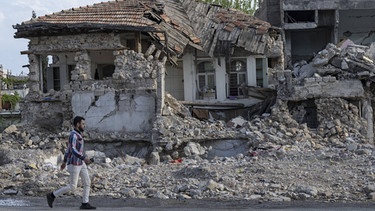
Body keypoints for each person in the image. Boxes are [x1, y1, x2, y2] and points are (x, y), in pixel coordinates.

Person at [46, 116, 96, 210]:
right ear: (78, 124)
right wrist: (83, 158)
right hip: (74, 164)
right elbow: (72, 149)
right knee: (73, 186)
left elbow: (68, 150)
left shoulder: (79, 134)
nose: (84, 126)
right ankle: (52, 195)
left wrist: (64, 161)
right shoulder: (73, 135)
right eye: (83, 124)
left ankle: (85, 203)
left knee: (87, 182)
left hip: (81, 163)